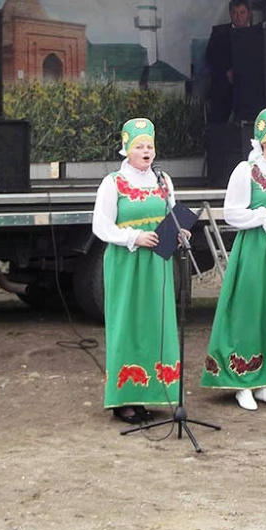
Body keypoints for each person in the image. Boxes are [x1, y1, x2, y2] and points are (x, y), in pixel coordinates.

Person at [200, 106, 266, 410]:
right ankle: (243, 381)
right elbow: (232, 214)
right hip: (255, 248)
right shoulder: (245, 170)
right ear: (262, 139)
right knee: (250, 311)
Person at [92, 118, 183, 424]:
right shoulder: (114, 183)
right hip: (126, 262)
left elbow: (170, 214)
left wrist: (179, 232)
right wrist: (134, 237)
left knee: (156, 323)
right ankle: (125, 399)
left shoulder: (163, 180)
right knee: (128, 324)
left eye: (150, 146)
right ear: (126, 149)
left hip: (157, 261)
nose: (146, 151)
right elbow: (101, 225)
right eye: (139, 146)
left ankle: (153, 391)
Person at [204, 0, 251, 123]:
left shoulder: (258, 33)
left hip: (249, 87)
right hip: (224, 85)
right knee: (218, 118)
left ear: (249, 14)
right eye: (235, 13)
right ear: (230, 14)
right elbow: (210, 57)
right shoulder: (219, 32)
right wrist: (227, 71)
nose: (238, 17)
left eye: (242, 12)